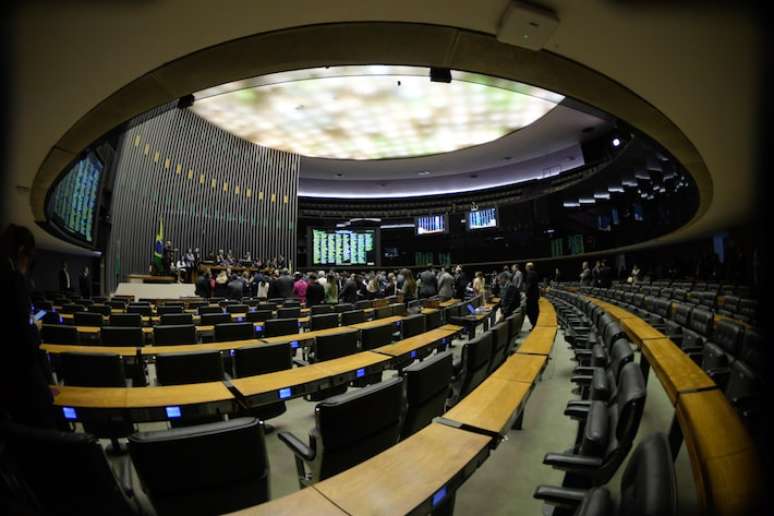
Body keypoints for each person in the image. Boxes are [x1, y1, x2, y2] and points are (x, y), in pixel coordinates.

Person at [0, 224, 58, 429]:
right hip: (21, 379)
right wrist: (44, 385)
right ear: (21, 251)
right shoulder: (15, 281)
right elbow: (25, 338)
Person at [524, 262, 540, 328]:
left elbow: (529, 285)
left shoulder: (530, 274)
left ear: (529, 267)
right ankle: (534, 324)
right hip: (534, 295)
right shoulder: (534, 273)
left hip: (532, 296)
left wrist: (526, 294)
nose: (525, 268)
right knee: (533, 310)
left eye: (526, 266)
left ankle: (534, 324)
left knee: (531, 311)